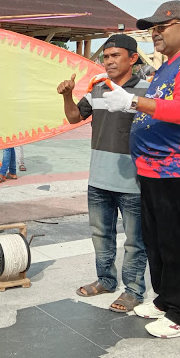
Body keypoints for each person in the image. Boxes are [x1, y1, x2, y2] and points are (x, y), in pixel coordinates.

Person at [104, 1, 180, 338]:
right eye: (152, 28)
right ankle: (165, 298)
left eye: (161, 27)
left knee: (177, 244)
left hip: (178, 170)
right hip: (153, 169)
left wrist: (133, 102)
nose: (155, 33)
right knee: (156, 241)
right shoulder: (168, 66)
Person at [58, 34, 149, 313]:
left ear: (133, 58)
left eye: (115, 56)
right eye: (105, 57)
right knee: (101, 234)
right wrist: (67, 96)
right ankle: (106, 280)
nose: (108, 61)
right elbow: (74, 117)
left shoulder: (148, 90)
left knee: (135, 240)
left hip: (134, 182)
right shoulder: (98, 87)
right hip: (99, 178)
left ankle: (133, 290)